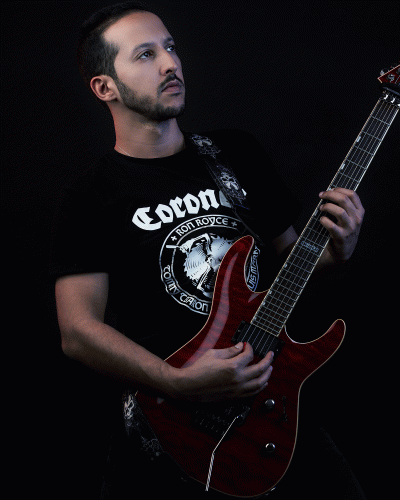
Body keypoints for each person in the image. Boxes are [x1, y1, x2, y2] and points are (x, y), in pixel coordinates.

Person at [50, 2, 366, 498]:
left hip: (276, 404)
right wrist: (174, 380)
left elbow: (292, 264)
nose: (170, 64)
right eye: (145, 54)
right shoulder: (90, 197)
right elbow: (77, 331)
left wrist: (339, 249)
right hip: (175, 429)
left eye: (170, 47)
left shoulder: (235, 153)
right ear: (104, 87)